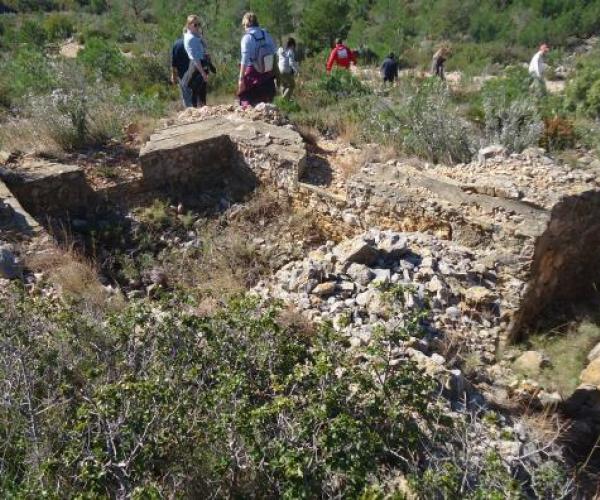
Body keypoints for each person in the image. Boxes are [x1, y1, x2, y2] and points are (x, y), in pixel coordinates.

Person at [237, 12, 277, 107]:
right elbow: (273, 51)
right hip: (267, 73)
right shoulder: (266, 34)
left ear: (246, 24)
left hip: (252, 73)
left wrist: (241, 79)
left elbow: (245, 60)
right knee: (265, 101)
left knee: (244, 96)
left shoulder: (247, 38)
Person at [181, 15, 210, 107]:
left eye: (199, 24)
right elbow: (195, 58)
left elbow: (206, 46)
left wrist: (200, 36)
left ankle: (200, 108)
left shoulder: (195, 36)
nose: (198, 27)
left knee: (200, 89)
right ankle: (193, 108)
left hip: (201, 63)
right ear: (189, 25)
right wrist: (202, 73)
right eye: (195, 25)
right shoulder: (191, 38)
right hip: (197, 65)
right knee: (188, 86)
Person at [171, 36, 193, 107]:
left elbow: (174, 64)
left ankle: (190, 114)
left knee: (187, 99)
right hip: (195, 73)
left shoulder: (176, 44)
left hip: (182, 75)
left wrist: (174, 76)